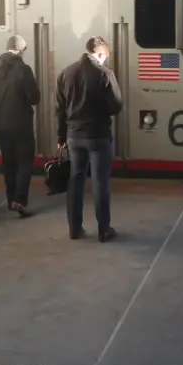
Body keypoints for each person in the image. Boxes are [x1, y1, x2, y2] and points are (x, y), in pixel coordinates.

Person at [55, 36, 123, 242]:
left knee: (75, 181)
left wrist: (61, 136)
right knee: (100, 183)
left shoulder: (66, 73)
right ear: (101, 54)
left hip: (74, 136)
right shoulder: (104, 73)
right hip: (98, 136)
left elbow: (60, 109)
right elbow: (116, 105)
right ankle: (104, 230)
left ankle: (74, 229)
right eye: (105, 57)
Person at [0, 34, 40, 218]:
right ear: (22, 51)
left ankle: (10, 200)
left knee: (8, 163)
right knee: (24, 163)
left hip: (1, 124)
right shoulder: (23, 69)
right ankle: (19, 201)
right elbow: (34, 98)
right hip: (21, 124)